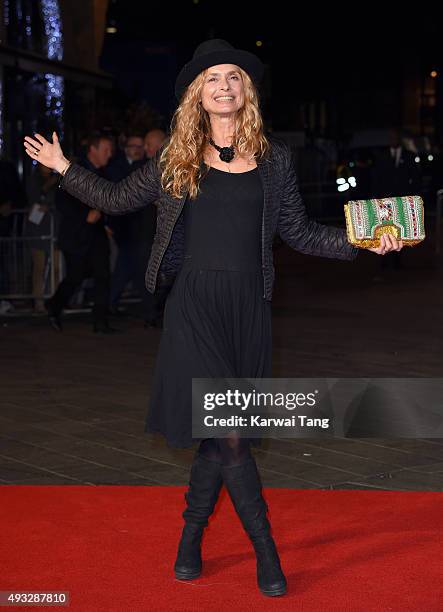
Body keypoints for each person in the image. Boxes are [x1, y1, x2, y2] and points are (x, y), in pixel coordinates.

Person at [24, 39, 403, 597]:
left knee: (217, 441)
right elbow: (118, 197)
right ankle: (267, 554)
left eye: (233, 77)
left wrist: (367, 239)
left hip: (249, 311)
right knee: (230, 437)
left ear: (245, 90)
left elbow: (299, 233)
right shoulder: (175, 160)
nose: (223, 85)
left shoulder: (274, 162)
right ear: (196, 96)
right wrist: (63, 167)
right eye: (211, 79)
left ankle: (190, 539)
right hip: (194, 308)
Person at [43, 132, 115, 333]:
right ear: (93, 150)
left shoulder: (105, 174)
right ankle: (54, 305)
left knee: (102, 275)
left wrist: (105, 219)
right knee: (75, 276)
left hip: (97, 235)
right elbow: (63, 201)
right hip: (76, 235)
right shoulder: (74, 169)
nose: (110, 154)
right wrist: (85, 216)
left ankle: (100, 322)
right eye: (106, 150)